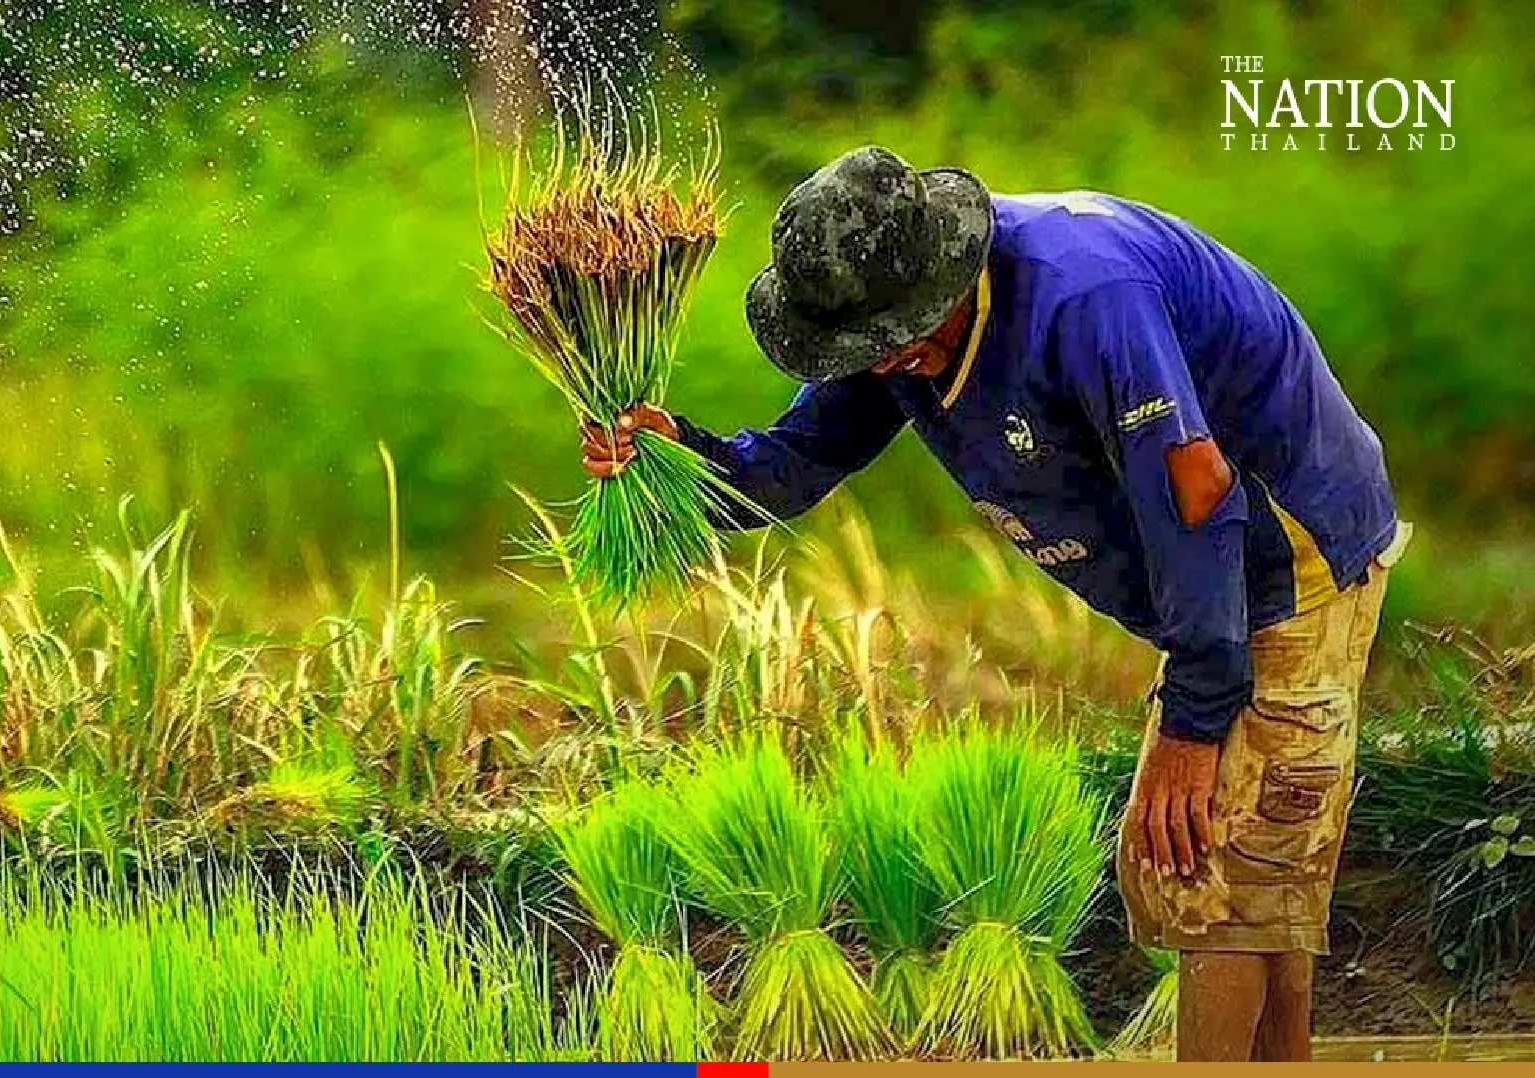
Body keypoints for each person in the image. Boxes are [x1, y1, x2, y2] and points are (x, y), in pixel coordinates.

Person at [581, 146, 1407, 1062]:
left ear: (944, 275)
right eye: (867, 352)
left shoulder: (1086, 301)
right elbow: (791, 464)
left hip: (1287, 549)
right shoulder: (890, 327)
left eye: (898, 341)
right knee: (1249, 872)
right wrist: (673, 462)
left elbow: (1197, 492)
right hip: (1205, 573)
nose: (891, 364)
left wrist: (1195, 718)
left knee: (1211, 872)